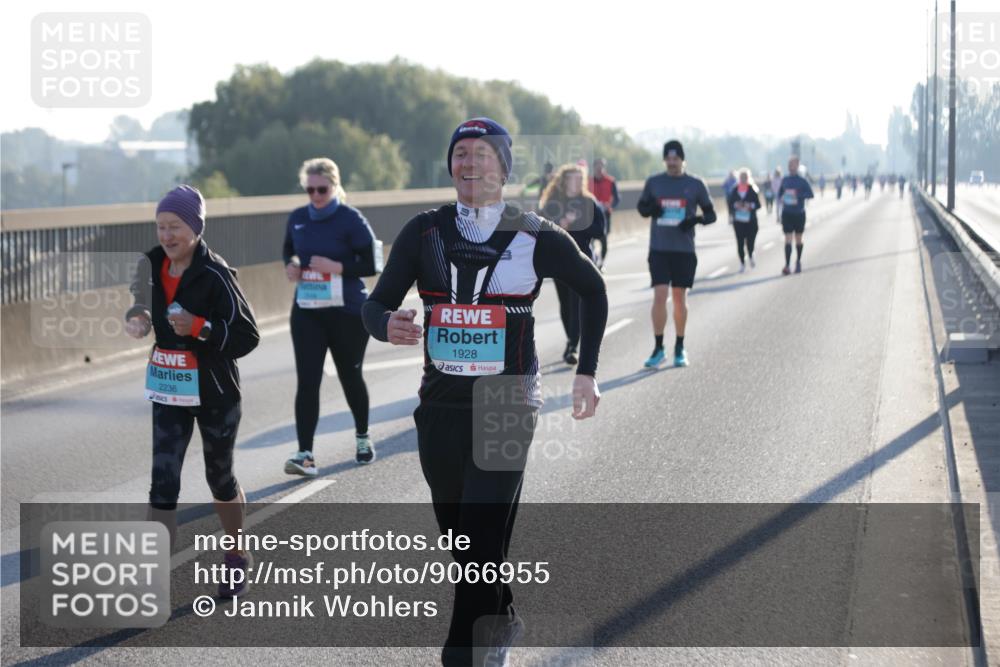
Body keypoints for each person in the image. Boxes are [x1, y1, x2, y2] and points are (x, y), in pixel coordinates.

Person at [361, 117, 607, 667]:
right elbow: (374, 303)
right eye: (460, 154)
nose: (468, 164)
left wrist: (586, 371)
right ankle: (504, 616)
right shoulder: (425, 231)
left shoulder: (535, 233)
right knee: (462, 541)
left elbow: (593, 289)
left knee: (477, 536)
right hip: (440, 405)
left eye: (481, 154)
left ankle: (464, 654)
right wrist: (385, 325)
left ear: (504, 167)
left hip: (507, 401)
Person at [125, 185, 260, 597]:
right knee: (162, 482)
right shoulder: (149, 263)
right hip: (169, 386)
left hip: (215, 390)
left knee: (219, 477)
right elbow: (139, 298)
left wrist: (200, 327)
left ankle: (236, 554)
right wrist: (139, 316)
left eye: (176, 227)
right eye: (161, 226)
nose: (167, 236)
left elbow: (247, 336)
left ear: (196, 228)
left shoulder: (216, 273)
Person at [282, 158, 380, 475]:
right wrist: (292, 265)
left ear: (334, 186)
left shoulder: (351, 219)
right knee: (307, 382)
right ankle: (305, 454)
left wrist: (337, 268)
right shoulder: (297, 218)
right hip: (308, 310)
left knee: (350, 376)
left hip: (347, 312)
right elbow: (288, 251)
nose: (315, 195)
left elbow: (372, 264)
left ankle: (363, 438)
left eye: (321, 189)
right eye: (309, 189)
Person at [636, 140, 717, 368]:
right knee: (660, 295)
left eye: (676, 159)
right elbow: (641, 208)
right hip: (659, 249)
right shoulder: (654, 183)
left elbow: (712, 215)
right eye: (668, 159)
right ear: (665, 160)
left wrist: (695, 219)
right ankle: (658, 347)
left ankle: (680, 346)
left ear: (682, 160)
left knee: (680, 298)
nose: (672, 163)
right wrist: (652, 209)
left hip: (684, 250)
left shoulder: (695, 184)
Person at [540, 163, 606, 364]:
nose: (578, 182)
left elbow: (599, 230)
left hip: (582, 259)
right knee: (565, 304)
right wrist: (560, 224)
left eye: (581, 178)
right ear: (564, 181)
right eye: (574, 178)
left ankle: (572, 345)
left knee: (576, 301)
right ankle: (571, 339)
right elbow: (540, 226)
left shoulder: (589, 202)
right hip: (557, 259)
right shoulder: (553, 201)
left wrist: (576, 224)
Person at [777, 156, 815, 275]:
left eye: (792, 164)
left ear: (797, 165)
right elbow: (779, 194)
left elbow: (811, 194)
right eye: (789, 164)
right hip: (787, 213)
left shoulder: (802, 181)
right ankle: (787, 265)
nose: (790, 166)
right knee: (788, 239)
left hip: (799, 213)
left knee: (798, 239)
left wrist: (798, 195)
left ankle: (798, 261)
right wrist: (782, 198)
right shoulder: (785, 179)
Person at [726, 168, 762, 271]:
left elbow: (758, 204)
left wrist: (750, 205)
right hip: (738, 221)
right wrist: (735, 205)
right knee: (740, 242)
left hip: (751, 221)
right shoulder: (734, 190)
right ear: (739, 178)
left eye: (745, 177)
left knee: (750, 241)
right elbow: (730, 204)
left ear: (748, 178)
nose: (743, 179)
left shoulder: (753, 189)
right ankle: (742, 262)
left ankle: (751, 254)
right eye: (741, 177)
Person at [589, 157, 620, 268]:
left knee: (604, 243)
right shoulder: (589, 181)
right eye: (597, 165)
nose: (599, 168)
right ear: (593, 167)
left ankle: (601, 263)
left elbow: (617, 199)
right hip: (590, 216)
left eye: (601, 165)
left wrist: (610, 206)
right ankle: (592, 261)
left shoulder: (610, 181)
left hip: (605, 216)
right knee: (589, 242)